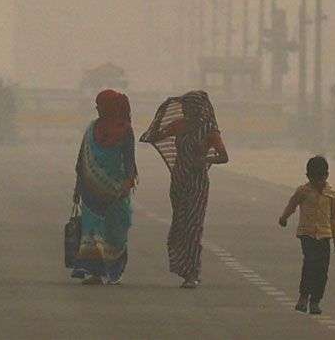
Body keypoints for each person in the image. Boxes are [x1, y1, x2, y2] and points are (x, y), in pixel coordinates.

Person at [140, 90, 228, 288]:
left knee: (193, 226)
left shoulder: (210, 130)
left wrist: (204, 159)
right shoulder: (179, 125)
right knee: (180, 224)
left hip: (197, 182)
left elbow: (224, 156)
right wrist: (161, 119)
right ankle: (183, 267)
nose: (187, 110)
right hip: (179, 179)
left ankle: (192, 272)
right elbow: (151, 137)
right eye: (185, 107)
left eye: (191, 107)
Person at [71, 90, 137, 285]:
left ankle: (114, 270)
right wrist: (77, 188)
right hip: (90, 190)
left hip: (116, 190)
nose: (97, 108)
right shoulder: (92, 128)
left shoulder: (125, 130)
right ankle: (95, 273)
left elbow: (130, 160)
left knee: (115, 230)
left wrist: (127, 183)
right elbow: (81, 160)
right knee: (92, 231)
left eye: (100, 105)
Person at [278, 155, 335, 315]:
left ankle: (315, 301)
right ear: (308, 177)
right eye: (315, 178)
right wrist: (284, 218)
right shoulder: (303, 191)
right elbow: (292, 205)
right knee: (310, 263)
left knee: (322, 269)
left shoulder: (332, 195)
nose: (319, 182)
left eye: (322, 177)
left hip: (325, 235)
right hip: (307, 234)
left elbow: (334, 218)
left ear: (326, 175)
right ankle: (303, 297)